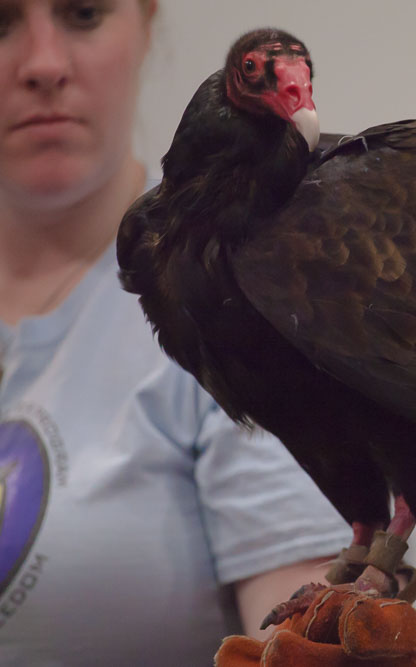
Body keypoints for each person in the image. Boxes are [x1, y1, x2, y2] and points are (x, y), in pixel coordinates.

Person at [0, 1, 354, 663]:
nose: (43, 64)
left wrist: (315, 642)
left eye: (82, 12)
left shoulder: (237, 276)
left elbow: (298, 611)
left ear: (146, 25)